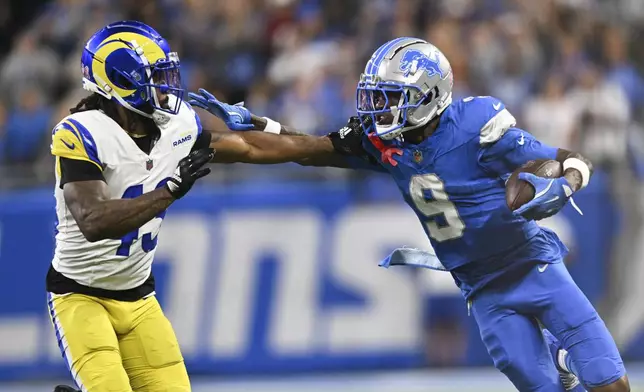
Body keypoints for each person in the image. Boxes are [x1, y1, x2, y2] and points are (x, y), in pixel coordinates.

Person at [192, 37, 630, 392]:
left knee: (610, 383)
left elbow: (567, 158)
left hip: (534, 265)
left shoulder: (477, 126)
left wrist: (565, 181)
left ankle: (563, 352)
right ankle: (557, 357)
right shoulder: (385, 143)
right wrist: (258, 126)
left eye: (390, 98)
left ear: (429, 96)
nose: (377, 110)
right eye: (376, 97)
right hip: (482, 289)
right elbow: (309, 148)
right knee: (543, 387)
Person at [48, 20, 368, 392]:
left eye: (167, 76)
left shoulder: (175, 125)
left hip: (138, 297)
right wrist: (168, 190)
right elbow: (92, 220)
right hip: (80, 295)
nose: (167, 88)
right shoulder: (80, 132)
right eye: (155, 77)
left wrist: (335, 144)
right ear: (120, 79)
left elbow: (253, 147)